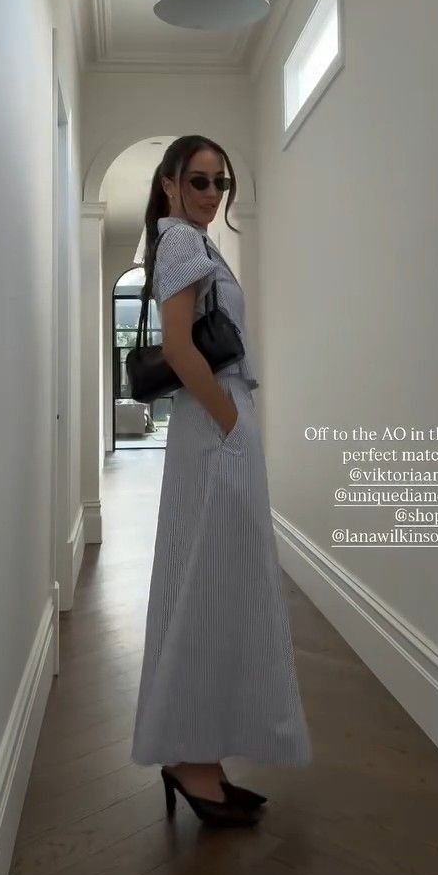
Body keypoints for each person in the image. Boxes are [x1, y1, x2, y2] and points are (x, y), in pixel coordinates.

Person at [130, 135, 312, 828]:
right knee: (211, 584)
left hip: (216, 424)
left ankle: (196, 753)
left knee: (212, 585)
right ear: (170, 183)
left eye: (220, 183)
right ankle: (191, 760)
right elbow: (180, 348)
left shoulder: (192, 241)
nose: (211, 194)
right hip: (216, 428)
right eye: (199, 181)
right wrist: (232, 423)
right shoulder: (181, 240)